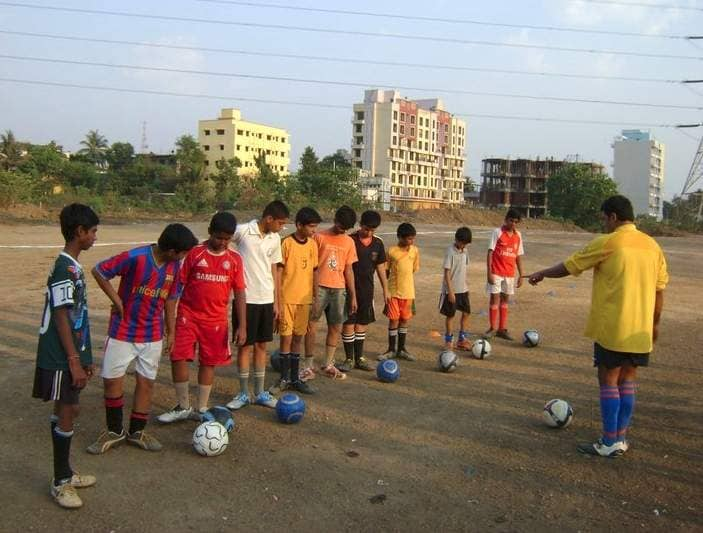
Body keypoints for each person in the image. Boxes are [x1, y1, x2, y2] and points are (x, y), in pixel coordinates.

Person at [527, 195, 668, 457]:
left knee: (608, 380)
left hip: (613, 327)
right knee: (628, 380)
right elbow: (660, 292)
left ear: (613, 217)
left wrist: (542, 273)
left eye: (604, 218)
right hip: (641, 330)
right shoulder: (653, 246)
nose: (603, 223)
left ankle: (608, 441)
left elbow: (570, 266)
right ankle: (621, 438)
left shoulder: (609, 242)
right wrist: (655, 324)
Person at [87, 224, 198, 454]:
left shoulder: (175, 266)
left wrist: (171, 333)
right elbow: (99, 270)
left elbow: (170, 300)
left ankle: (137, 431)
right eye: (184, 252)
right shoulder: (135, 257)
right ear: (172, 251)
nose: (184, 257)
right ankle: (114, 431)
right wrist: (117, 301)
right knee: (112, 380)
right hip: (123, 331)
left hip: (152, 334)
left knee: (146, 382)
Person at [33, 204, 99, 509]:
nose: (95, 237)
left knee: (67, 408)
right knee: (69, 409)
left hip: (70, 352)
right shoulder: (64, 267)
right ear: (79, 232)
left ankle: (65, 472)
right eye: (93, 231)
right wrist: (74, 361)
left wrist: (84, 355)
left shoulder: (73, 265)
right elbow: (61, 315)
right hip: (60, 354)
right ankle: (60, 481)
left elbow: (76, 315)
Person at [157, 212, 246, 423]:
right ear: (209, 232)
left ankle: (201, 408)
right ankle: (182, 406)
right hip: (188, 317)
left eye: (227, 239)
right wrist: (169, 323)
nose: (222, 242)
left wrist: (242, 325)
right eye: (218, 237)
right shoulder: (194, 254)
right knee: (178, 357)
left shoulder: (234, 259)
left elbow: (240, 292)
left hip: (216, 321)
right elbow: (177, 287)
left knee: (208, 362)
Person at [227, 201, 289, 410]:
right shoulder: (243, 231)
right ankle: (244, 393)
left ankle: (260, 392)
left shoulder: (275, 238)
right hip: (245, 299)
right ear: (269, 219)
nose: (282, 227)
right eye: (280, 223)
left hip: (266, 299)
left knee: (262, 346)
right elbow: (222, 241)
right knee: (245, 346)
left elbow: (274, 270)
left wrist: (277, 302)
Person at [271, 207, 321, 394]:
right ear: (299, 225)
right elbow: (279, 271)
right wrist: (278, 300)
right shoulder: (286, 244)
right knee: (286, 338)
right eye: (311, 226)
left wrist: (315, 296)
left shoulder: (312, 245)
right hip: (287, 300)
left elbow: (315, 271)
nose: (314, 230)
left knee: (298, 339)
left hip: (304, 300)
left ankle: (294, 378)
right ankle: (283, 378)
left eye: (316, 227)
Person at [305, 205, 358, 380]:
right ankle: (308, 366)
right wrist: (311, 290)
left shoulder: (349, 242)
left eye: (345, 229)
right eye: (340, 226)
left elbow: (348, 270)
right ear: (335, 220)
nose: (341, 230)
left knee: (336, 327)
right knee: (311, 326)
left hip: (339, 290)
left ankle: (328, 364)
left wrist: (353, 296)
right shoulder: (319, 237)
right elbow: (312, 267)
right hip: (319, 288)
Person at [340, 210, 390, 372]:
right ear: (360, 225)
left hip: (367, 290)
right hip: (348, 290)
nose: (369, 233)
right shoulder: (350, 240)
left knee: (362, 323)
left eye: (372, 230)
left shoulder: (378, 243)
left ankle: (359, 358)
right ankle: (348, 359)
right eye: (366, 229)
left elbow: (381, 267)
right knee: (349, 323)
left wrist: (386, 290)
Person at [379, 223, 419, 361]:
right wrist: (387, 290)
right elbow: (386, 270)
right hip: (394, 293)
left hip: (408, 293)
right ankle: (391, 349)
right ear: (400, 238)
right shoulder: (391, 251)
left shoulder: (415, 251)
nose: (411, 242)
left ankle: (402, 349)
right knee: (393, 321)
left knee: (404, 321)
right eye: (408, 239)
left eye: (413, 239)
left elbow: (413, 269)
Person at [485, 209, 524, 341]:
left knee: (505, 300)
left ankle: (502, 329)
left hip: (509, 274)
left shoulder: (518, 235)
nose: (513, 224)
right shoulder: (497, 232)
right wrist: (489, 272)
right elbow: (490, 252)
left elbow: (518, 256)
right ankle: (492, 328)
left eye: (515, 222)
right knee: (494, 299)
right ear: (506, 219)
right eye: (511, 221)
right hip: (496, 272)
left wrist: (521, 275)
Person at [440, 227, 472, 351]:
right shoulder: (450, 252)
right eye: (462, 243)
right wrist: (450, 292)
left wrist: (466, 287)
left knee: (466, 313)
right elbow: (447, 273)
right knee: (450, 316)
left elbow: (464, 270)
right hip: (451, 291)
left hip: (463, 289)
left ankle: (462, 339)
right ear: (456, 239)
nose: (463, 246)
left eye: (466, 244)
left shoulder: (465, 251)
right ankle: (448, 340)